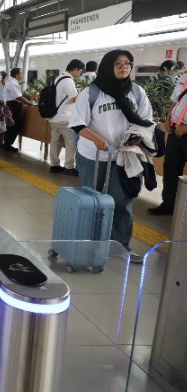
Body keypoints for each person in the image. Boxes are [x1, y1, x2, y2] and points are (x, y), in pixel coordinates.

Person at [69, 49, 154, 263]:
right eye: (118, 63)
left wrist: (134, 139)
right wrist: (95, 138)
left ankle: (120, 245)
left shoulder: (137, 92)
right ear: (108, 66)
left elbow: (145, 121)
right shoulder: (92, 93)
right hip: (93, 156)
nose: (124, 66)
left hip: (125, 156)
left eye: (127, 63)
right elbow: (78, 124)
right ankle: (86, 244)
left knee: (122, 201)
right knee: (91, 200)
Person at [148, 66, 187, 216]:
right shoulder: (184, 79)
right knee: (170, 169)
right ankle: (168, 204)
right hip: (175, 132)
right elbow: (176, 101)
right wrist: (168, 118)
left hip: (184, 130)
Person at [49, 59, 83, 176]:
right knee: (70, 142)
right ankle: (69, 167)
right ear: (75, 69)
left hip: (53, 117)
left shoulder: (58, 78)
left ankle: (54, 165)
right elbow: (74, 98)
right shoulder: (68, 80)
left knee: (55, 141)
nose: (80, 74)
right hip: (65, 118)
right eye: (80, 71)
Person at [2, 67, 34, 152]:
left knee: (11, 125)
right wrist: (30, 104)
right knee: (14, 125)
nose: (22, 75)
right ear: (16, 75)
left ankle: (7, 143)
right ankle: (8, 145)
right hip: (12, 105)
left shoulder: (12, 81)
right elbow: (18, 97)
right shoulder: (12, 82)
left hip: (12, 105)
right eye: (21, 74)